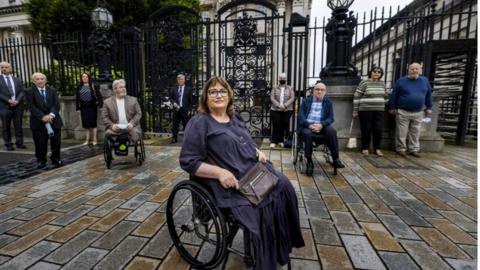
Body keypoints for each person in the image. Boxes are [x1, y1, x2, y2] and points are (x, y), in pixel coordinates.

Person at [179, 76, 305, 270]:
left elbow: (242, 140)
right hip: (232, 182)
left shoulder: (235, 118)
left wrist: (256, 151)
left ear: (229, 95)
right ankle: (264, 257)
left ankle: (279, 246)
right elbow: (188, 161)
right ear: (206, 97)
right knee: (262, 204)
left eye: (222, 91)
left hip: (255, 170)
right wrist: (220, 173)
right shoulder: (200, 123)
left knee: (284, 186)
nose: (219, 95)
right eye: (213, 92)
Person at [298, 82, 345, 176]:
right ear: (313, 91)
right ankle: (309, 162)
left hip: (321, 126)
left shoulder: (328, 102)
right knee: (307, 134)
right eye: (317, 89)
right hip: (308, 126)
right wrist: (309, 125)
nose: (319, 91)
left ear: (325, 92)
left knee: (331, 131)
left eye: (322, 90)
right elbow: (301, 116)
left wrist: (321, 125)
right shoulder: (306, 101)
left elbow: (331, 118)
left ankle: (336, 159)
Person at [389, 62, 432, 158]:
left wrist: (429, 107)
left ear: (420, 70)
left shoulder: (424, 81)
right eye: (412, 69)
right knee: (401, 132)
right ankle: (401, 149)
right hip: (403, 111)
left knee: (416, 131)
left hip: (418, 111)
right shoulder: (401, 81)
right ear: (408, 69)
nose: (414, 70)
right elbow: (394, 95)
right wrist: (392, 107)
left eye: (417, 68)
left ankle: (413, 149)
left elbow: (428, 94)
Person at [26, 72, 63, 169]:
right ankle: (41, 160)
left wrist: (50, 115)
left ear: (45, 80)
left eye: (42, 79)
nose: (40, 81)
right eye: (37, 79)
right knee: (40, 143)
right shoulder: (29, 91)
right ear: (33, 81)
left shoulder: (52, 90)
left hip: (54, 120)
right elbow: (31, 106)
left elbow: (56, 105)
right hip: (38, 122)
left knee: (56, 142)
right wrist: (42, 117)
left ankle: (56, 158)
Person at [352, 66, 388, 156]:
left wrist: (383, 101)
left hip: (379, 110)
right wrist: (355, 110)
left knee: (378, 129)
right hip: (365, 110)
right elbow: (357, 95)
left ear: (381, 74)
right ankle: (365, 147)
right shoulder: (364, 82)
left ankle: (377, 148)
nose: (376, 73)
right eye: (374, 71)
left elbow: (386, 96)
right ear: (371, 72)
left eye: (379, 72)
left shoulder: (382, 83)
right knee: (366, 129)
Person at [0, 61, 26, 151]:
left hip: (18, 106)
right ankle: (8, 144)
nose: (4, 68)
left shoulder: (17, 79)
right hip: (4, 106)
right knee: (6, 126)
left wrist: (17, 100)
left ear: (10, 68)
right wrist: (8, 100)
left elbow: (22, 91)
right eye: (2, 67)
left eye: (6, 67)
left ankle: (19, 143)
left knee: (18, 125)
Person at [76, 73, 103, 145]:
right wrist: (77, 108)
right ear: (81, 78)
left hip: (92, 107)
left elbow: (99, 96)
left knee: (93, 124)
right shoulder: (79, 87)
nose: (84, 78)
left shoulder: (93, 86)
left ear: (89, 78)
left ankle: (95, 139)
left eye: (86, 77)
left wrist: (101, 106)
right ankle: (87, 140)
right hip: (83, 107)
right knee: (85, 125)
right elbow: (77, 98)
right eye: (83, 77)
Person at [270, 73, 295, 148]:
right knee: (276, 124)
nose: (282, 79)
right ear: (278, 79)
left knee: (284, 125)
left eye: (283, 78)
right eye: (281, 78)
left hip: (287, 110)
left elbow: (292, 98)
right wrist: (278, 105)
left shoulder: (290, 88)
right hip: (275, 109)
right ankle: (274, 141)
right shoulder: (274, 87)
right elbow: (272, 98)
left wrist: (285, 105)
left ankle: (281, 140)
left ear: (286, 79)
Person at [169, 74, 193, 144]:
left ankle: (187, 139)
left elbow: (191, 101)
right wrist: (173, 103)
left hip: (185, 109)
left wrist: (190, 110)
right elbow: (171, 98)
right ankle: (174, 138)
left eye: (182, 79)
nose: (180, 80)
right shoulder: (174, 88)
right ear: (177, 80)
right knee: (175, 124)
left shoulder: (188, 89)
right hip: (176, 109)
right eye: (179, 79)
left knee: (186, 124)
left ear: (184, 80)